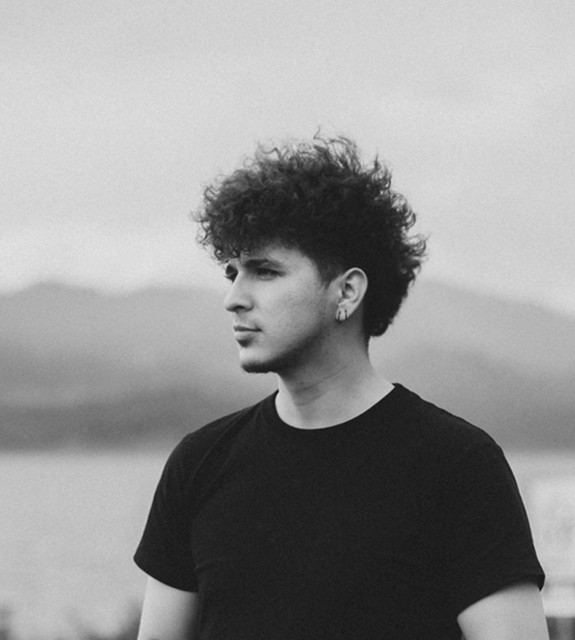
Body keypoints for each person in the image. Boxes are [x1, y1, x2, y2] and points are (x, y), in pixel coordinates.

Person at [134, 135, 548, 640]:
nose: (234, 298)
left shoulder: (458, 467)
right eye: (232, 273)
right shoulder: (199, 464)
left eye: (265, 271)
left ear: (347, 291)